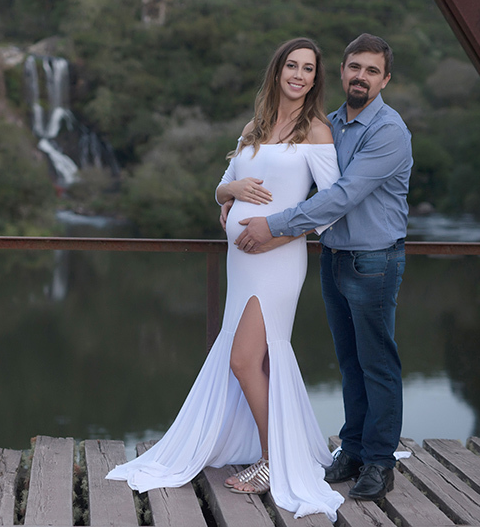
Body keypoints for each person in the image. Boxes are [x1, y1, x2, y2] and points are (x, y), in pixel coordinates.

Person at [106, 37, 345, 520]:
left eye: (308, 69)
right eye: (291, 66)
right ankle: (277, 446)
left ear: (316, 79)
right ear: (277, 71)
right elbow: (222, 185)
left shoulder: (316, 131)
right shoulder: (253, 127)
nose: (299, 75)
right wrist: (228, 192)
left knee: (244, 359)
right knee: (258, 360)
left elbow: (329, 209)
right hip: (242, 261)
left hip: (278, 258)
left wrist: (274, 236)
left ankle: (273, 461)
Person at [234, 33, 413, 501]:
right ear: (342, 71)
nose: (361, 76)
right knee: (350, 364)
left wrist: (271, 226)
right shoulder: (329, 122)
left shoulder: (388, 131)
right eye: (355, 67)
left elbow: (339, 197)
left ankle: (379, 461)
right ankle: (352, 450)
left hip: (374, 260)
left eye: (372, 70)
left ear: (385, 79)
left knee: (377, 363)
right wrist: (230, 197)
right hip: (334, 257)